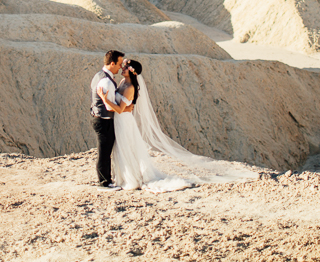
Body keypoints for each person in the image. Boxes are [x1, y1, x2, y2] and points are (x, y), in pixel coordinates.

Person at [108, 59, 259, 192]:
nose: (123, 67)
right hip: (120, 119)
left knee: (127, 147)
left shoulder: (129, 88)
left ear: (132, 72)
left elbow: (123, 107)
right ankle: (124, 177)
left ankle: (131, 179)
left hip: (125, 121)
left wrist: (104, 98)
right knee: (123, 147)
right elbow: (126, 105)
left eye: (126, 66)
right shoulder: (122, 82)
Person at [90, 50, 130, 188]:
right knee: (104, 152)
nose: (120, 67)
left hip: (100, 118)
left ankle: (106, 179)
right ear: (112, 63)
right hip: (104, 120)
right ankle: (104, 182)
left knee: (105, 151)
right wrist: (126, 108)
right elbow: (110, 107)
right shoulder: (106, 81)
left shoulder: (99, 76)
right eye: (119, 64)